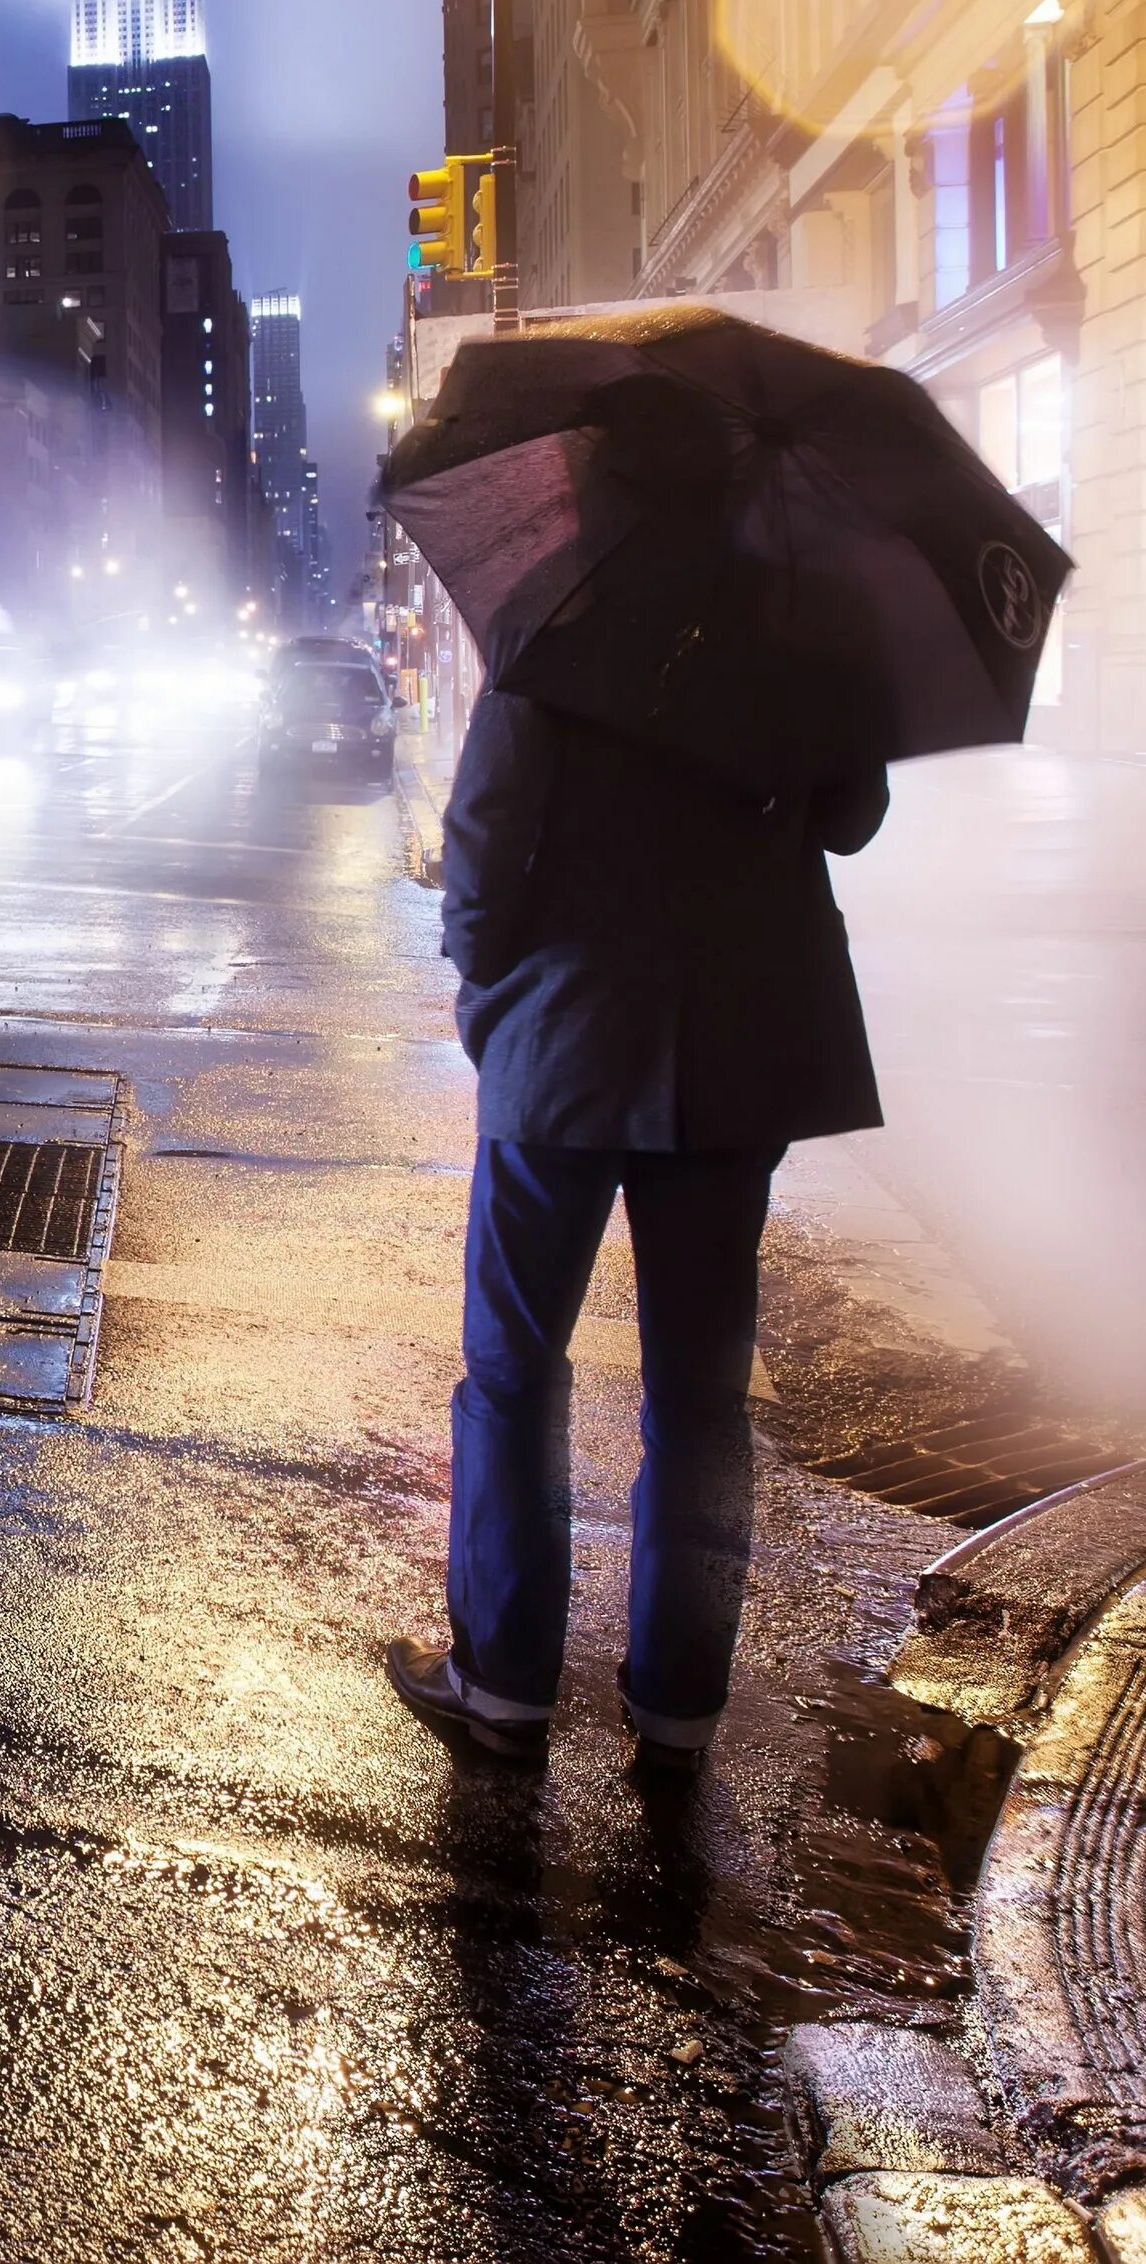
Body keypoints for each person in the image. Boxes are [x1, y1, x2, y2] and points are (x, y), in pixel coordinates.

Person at [388, 686, 889, 1774]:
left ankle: (504, 1680)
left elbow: (486, 831)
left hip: (565, 1027)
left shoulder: (567, 619)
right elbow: (853, 816)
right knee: (701, 1396)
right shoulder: (798, 629)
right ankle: (679, 1704)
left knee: (514, 1364)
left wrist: (483, 976)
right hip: (735, 1037)